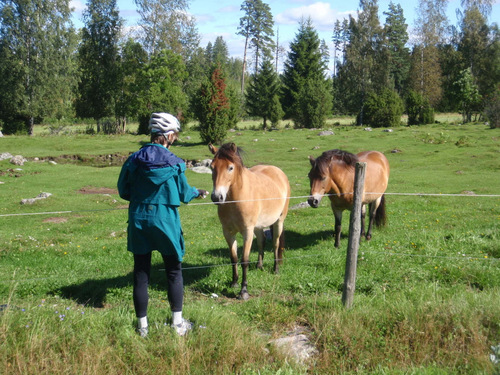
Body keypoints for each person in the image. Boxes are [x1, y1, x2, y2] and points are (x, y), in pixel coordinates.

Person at [117, 112, 208, 337]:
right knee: (174, 271)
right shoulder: (175, 163)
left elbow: (123, 190)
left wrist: (141, 199)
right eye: (174, 135)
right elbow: (184, 194)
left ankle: (143, 328)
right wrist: (198, 192)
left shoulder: (134, 159)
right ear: (167, 135)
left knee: (141, 272)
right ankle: (177, 325)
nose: (175, 139)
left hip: (139, 218)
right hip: (166, 220)